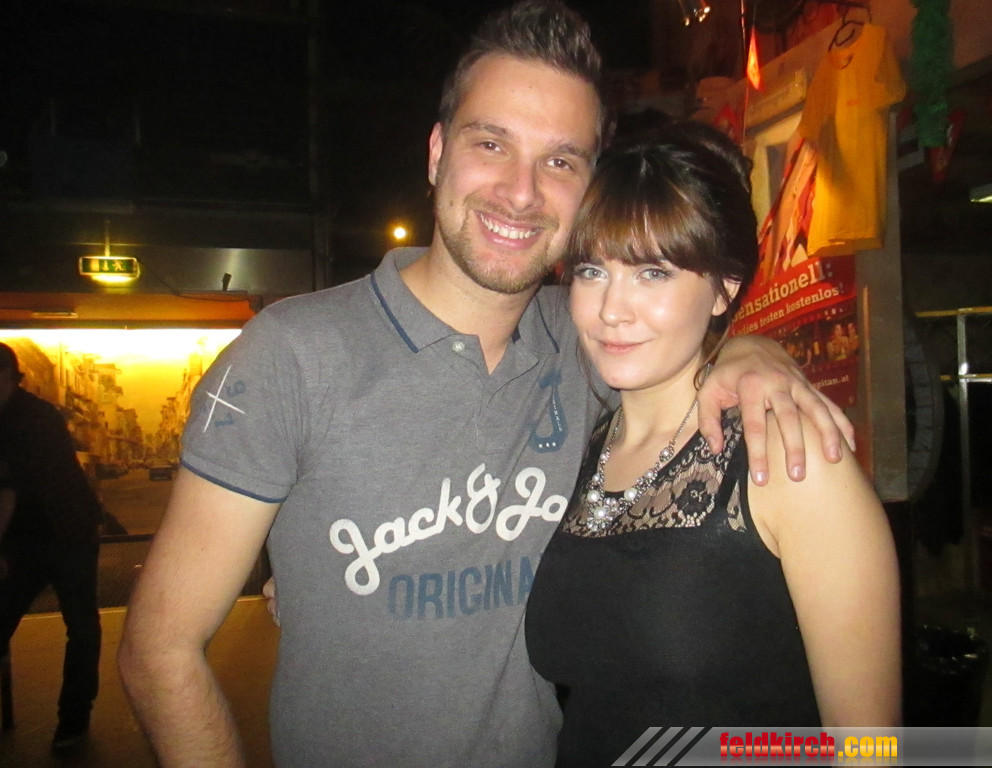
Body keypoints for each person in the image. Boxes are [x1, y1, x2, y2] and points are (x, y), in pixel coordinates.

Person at [117, 3, 854, 767]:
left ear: (589, 188)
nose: (521, 191)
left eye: (560, 161)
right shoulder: (292, 355)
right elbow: (159, 651)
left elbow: (685, 334)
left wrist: (750, 352)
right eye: (491, 143)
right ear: (438, 153)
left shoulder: (593, 345)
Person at [524, 124, 901, 767]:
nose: (612, 309)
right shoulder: (582, 450)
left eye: (652, 272)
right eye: (592, 270)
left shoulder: (791, 459)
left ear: (725, 287)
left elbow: (868, 747)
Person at [0, 342, 103, 754]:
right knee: (80, 625)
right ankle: (73, 722)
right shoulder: (29, 414)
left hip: (65, 533)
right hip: (38, 533)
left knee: (80, 625)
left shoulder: (28, 418)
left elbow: (8, 491)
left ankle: (73, 719)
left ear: (9, 378)